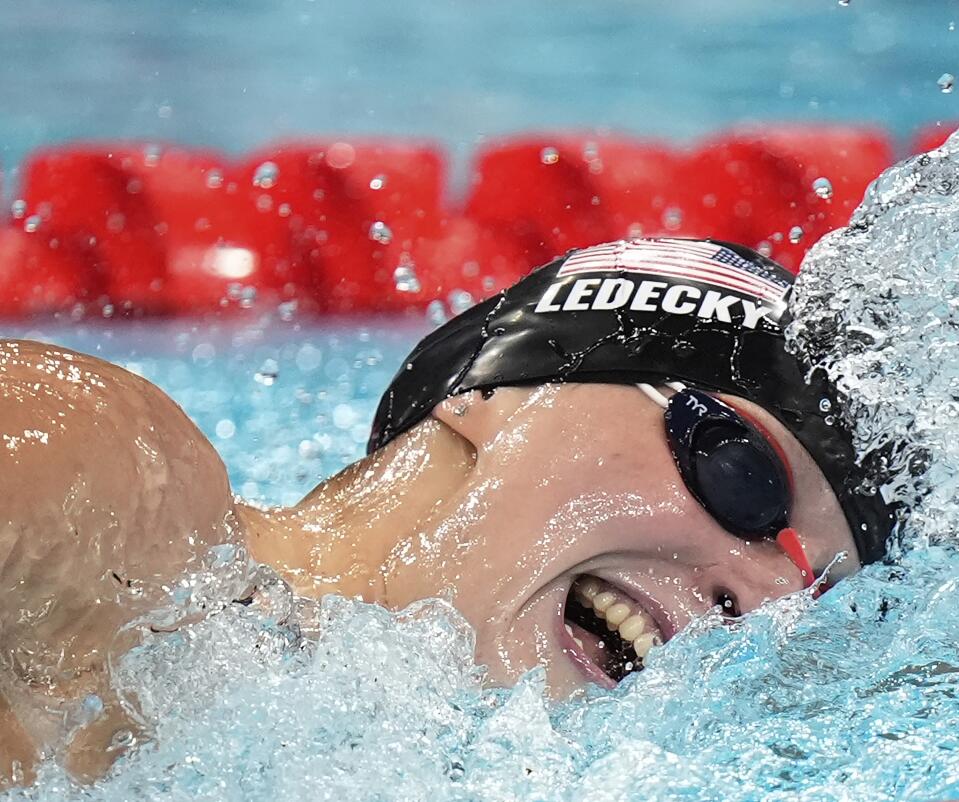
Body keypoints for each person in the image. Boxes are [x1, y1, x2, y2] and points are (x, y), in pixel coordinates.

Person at [0, 237, 901, 785]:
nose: (766, 601)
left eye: (814, 600)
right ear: (496, 391)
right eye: (748, 479)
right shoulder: (115, 486)